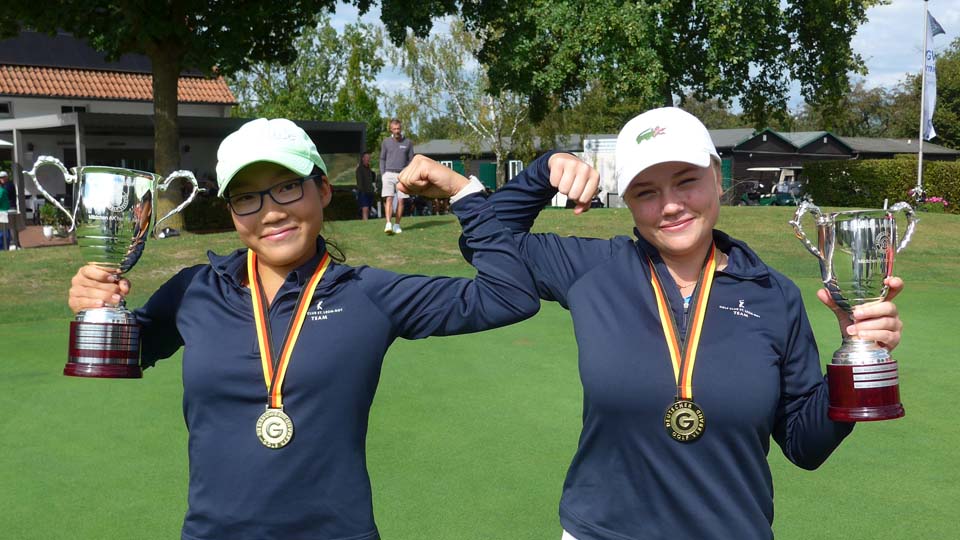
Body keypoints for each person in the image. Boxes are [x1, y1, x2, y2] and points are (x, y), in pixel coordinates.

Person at [67, 118, 539, 540]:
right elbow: (125, 351)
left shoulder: (369, 293)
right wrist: (97, 302)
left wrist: (463, 194)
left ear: (323, 190)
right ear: (231, 211)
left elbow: (509, 296)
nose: (270, 211)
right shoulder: (196, 289)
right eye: (246, 197)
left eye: (287, 187)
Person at [481, 107, 905, 540]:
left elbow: (805, 445)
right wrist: (543, 171)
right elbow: (485, 240)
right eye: (646, 192)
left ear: (717, 178)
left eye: (687, 181)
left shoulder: (772, 294)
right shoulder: (593, 270)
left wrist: (861, 357)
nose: (670, 206)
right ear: (627, 201)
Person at [379, 118, 414, 235]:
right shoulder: (386, 142)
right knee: (388, 198)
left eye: (398, 128)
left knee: (401, 200)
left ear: (401, 128)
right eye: (394, 129)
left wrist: (407, 174)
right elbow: (382, 158)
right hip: (388, 173)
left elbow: (411, 160)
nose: (396, 131)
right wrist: (383, 173)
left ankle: (397, 225)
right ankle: (388, 223)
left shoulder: (408, 142)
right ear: (391, 129)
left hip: (402, 175)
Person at [355, 151, 377, 221]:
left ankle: (366, 221)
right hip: (363, 192)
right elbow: (359, 182)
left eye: (369, 157)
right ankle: (365, 221)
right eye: (366, 157)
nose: (368, 159)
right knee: (365, 208)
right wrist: (360, 191)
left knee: (368, 209)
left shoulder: (370, 170)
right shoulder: (360, 169)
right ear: (363, 159)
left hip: (370, 191)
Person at [0, 171, 11, 250]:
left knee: (4, 232)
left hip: (3, 213)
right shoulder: (2, 190)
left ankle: (4, 248)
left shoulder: (2, 191)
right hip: (4, 212)